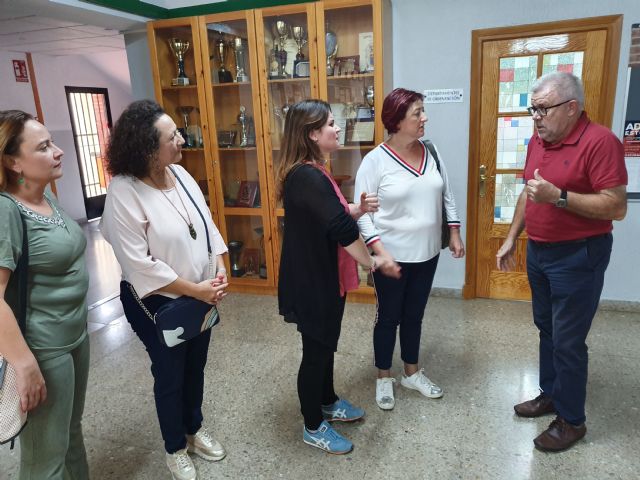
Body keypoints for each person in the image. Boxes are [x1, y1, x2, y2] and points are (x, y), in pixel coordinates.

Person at [496, 72, 628, 452]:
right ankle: (551, 394)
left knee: (568, 340)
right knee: (547, 328)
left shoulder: (600, 142)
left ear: (572, 108)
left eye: (543, 109)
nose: (536, 117)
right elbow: (529, 192)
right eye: (533, 109)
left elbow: (616, 206)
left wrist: (559, 196)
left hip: (578, 255)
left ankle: (572, 421)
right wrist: (511, 238)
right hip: (539, 252)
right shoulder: (538, 141)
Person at [100, 100, 229, 480]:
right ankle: (175, 448)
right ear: (146, 149)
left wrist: (220, 267)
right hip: (154, 301)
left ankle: (193, 429)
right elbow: (139, 264)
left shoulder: (181, 175)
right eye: (171, 137)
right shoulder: (124, 191)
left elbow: (207, 226)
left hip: (201, 292)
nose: (181, 140)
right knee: (170, 373)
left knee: (196, 366)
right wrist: (196, 290)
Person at [277, 99, 398, 455]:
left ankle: (327, 401)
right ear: (312, 134)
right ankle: (313, 425)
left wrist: (356, 208)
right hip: (312, 282)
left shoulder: (314, 171)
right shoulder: (307, 176)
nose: (338, 127)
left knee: (326, 344)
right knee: (315, 352)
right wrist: (372, 261)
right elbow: (340, 228)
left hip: (326, 278)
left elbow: (331, 214)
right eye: (331, 123)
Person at [354, 88, 465, 411]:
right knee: (388, 317)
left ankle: (412, 373)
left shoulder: (431, 151)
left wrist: (454, 232)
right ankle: (383, 376)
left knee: (415, 314)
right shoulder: (375, 161)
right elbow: (363, 215)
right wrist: (379, 251)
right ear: (397, 120)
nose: (424, 118)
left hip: (428, 253)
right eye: (417, 113)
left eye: (422, 111)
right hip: (392, 257)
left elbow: (446, 194)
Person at [0, 110, 90, 479]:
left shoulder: (45, 197)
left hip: (74, 334)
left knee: (70, 433)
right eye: (43, 147)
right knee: (45, 458)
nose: (58, 151)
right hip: (43, 347)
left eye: (52, 142)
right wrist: (24, 364)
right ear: (13, 162)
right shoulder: (6, 210)